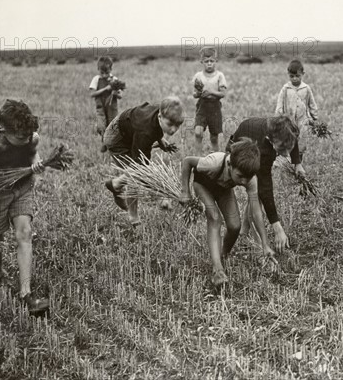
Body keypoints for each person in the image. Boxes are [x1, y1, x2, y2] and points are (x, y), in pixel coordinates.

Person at [0, 99, 49, 315]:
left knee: (25, 232)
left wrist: (36, 162)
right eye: (20, 137)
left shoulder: (31, 138)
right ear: (3, 131)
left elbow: (32, 154)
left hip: (21, 187)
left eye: (28, 135)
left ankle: (26, 293)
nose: (26, 139)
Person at [179, 138, 276, 286]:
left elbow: (256, 212)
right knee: (215, 218)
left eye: (247, 178)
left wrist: (265, 244)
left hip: (223, 190)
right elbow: (187, 162)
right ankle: (217, 269)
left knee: (235, 226)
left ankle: (223, 255)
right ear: (230, 164)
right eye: (240, 176)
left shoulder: (250, 178)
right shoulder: (213, 162)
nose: (244, 182)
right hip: (203, 185)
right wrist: (185, 192)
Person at [103, 96, 184, 225]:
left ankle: (116, 185)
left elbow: (149, 121)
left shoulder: (162, 111)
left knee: (137, 172)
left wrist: (160, 139)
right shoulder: (145, 133)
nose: (173, 130)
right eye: (170, 124)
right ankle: (133, 217)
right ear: (159, 117)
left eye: (177, 125)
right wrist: (164, 193)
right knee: (137, 175)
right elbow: (140, 168)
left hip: (127, 129)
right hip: (116, 138)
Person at [226, 116, 303, 252]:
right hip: (238, 152)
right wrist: (277, 227)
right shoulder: (264, 149)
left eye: (288, 149)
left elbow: (292, 138)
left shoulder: (284, 129)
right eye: (281, 148)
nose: (285, 155)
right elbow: (265, 187)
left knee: (255, 195)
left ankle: (244, 232)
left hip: (251, 134)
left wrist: (297, 163)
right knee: (256, 195)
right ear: (270, 139)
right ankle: (259, 246)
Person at [275, 59, 319, 159]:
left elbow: (312, 103)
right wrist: (278, 118)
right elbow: (279, 105)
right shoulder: (285, 88)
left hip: (303, 121)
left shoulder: (306, 88)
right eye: (292, 76)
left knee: (301, 144)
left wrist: (314, 117)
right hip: (288, 121)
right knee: (288, 142)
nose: (294, 79)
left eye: (297, 76)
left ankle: (298, 164)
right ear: (288, 75)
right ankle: (288, 163)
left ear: (303, 74)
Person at [192, 47, 227, 154]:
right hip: (202, 106)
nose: (209, 64)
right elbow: (194, 94)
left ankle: (216, 157)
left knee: (214, 137)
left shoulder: (219, 76)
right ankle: (198, 157)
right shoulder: (198, 76)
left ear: (216, 61)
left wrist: (211, 92)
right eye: (206, 61)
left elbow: (223, 93)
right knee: (198, 132)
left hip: (215, 107)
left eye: (212, 61)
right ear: (202, 62)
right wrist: (198, 93)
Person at [89, 56, 123, 151]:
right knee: (101, 126)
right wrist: (105, 89)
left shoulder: (114, 79)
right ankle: (104, 141)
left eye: (107, 73)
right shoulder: (96, 79)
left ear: (111, 69)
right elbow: (92, 94)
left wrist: (115, 93)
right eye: (101, 73)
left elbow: (121, 95)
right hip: (100, 107)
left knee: (112, 126)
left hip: (112, 107)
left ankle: (111, 144)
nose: (104, 75)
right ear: (98, 69)